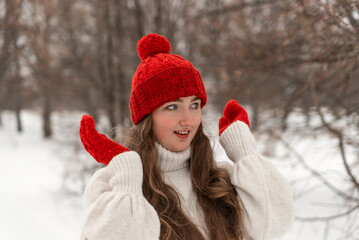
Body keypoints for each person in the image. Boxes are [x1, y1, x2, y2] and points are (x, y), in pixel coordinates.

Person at [79, 33, 294, 240]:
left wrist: (246, 154)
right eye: (172, 106)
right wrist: (128, 184)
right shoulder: (111, 188)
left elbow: (273, 225)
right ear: (147, 117)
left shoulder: (219, 180)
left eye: (194, 105)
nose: (188, 120)